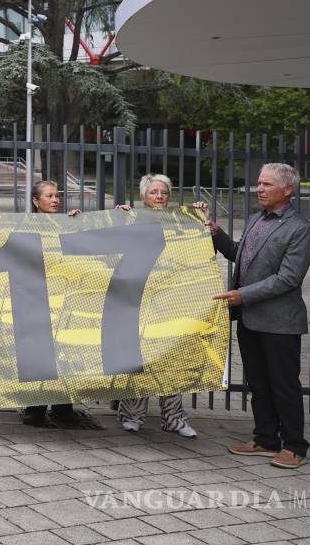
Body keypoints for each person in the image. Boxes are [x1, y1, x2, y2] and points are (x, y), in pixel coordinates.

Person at [212, 163, 310, 469]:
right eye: (258, 183)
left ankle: (295, 446)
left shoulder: (300, 229)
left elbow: (288, 278)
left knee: (283, 385)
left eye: (267, 184)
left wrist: (243, 294)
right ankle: (266, 439)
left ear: (287, 190)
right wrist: (217, 234)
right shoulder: (258, 219)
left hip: (280, 322)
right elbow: (238, 254)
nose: (259, 188)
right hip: (250, 318)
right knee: (258, 383)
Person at [113, 174, 198, 438]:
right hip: (138, 299)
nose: (159, 196)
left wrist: (203, 222)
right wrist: (115, 220)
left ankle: (173, 417)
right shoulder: (131, 220)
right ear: (143, 196)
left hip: (171, 301)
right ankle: (132, 413)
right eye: (153, 192)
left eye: (164, 192)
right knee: (138, 358)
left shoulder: (180, 222)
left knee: (171, 357)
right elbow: (109, 250)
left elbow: (198, 253)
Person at [22, 180, 101, 429]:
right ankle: (35, 409)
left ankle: (62, 408)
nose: (55, 200)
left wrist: (79, 225)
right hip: (37, 297)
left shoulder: (66, 223)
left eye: (57, 195)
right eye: (49, 196)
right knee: (40, 354)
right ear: (36, 201)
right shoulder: (25, 226)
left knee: (65, 352)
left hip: (64, 296)